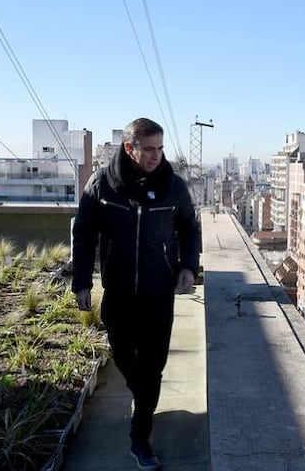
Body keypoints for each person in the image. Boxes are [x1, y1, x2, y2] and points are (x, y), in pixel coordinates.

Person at [71, 117, 200, 470]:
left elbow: (190, 228)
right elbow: (83, 234)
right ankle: (143, 397)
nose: (156, 155)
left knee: (153, 367)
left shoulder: (173, 187)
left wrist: (189, 267)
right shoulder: (102, 185)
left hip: (159, 293)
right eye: (149, 149)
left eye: (160, 148)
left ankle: (140, 437)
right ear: (130, 148)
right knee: (126, 358)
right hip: (120, 292)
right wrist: (82, 281)